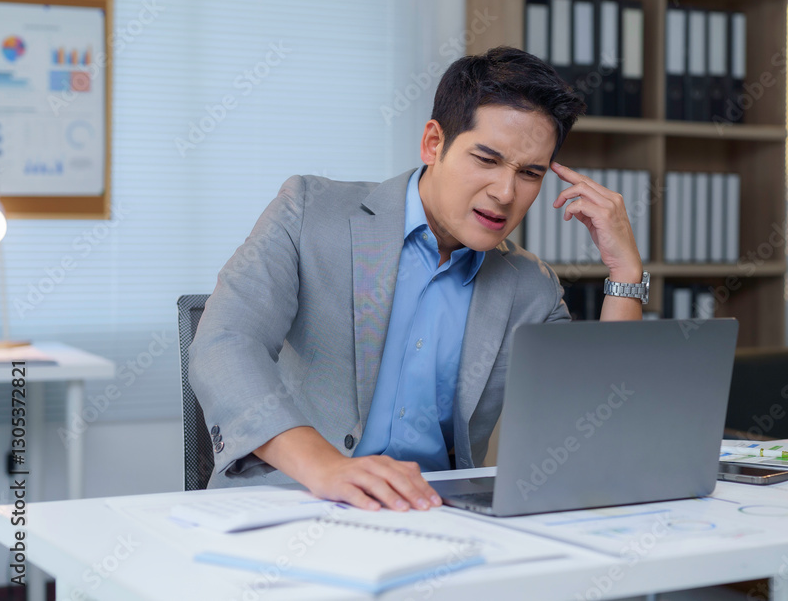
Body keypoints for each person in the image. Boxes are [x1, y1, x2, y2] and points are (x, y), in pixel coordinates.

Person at [189, 46, 646, 513]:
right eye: (486, 159)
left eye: (529, 173)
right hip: (294, 504)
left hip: (435, 520)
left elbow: (595, 428)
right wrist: (326, 466)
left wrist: (625, 274)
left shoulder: (532, 288)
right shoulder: (309, 211)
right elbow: (225, 342)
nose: (505, 193)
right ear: (434, 143)